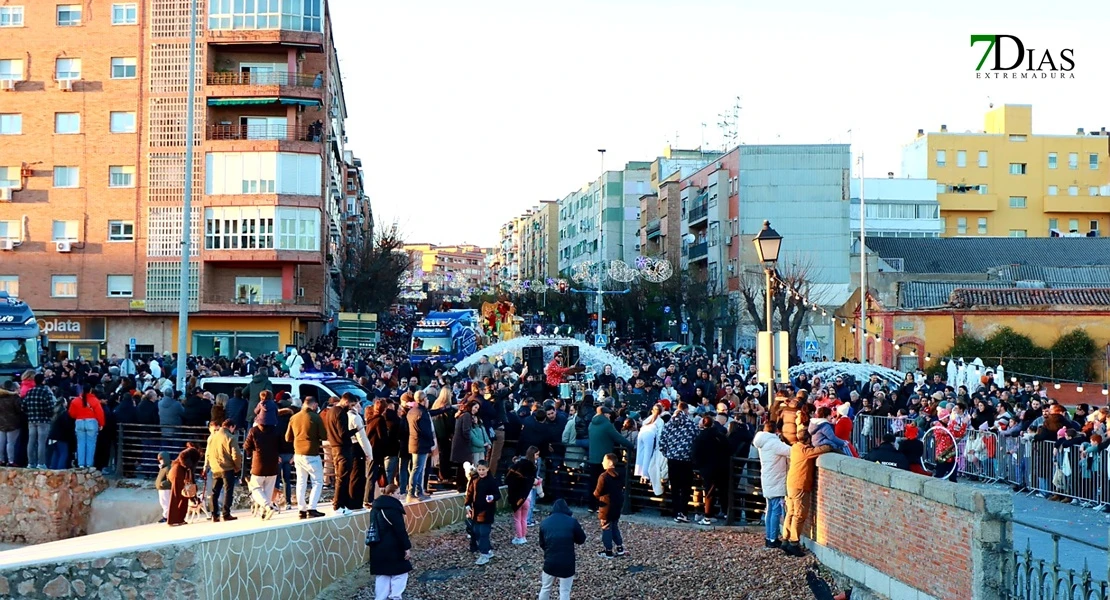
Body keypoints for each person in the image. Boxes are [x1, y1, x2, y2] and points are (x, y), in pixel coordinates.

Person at [782, 429, 835, 557]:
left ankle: (785, 539)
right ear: (807, 440)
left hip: (791, 484)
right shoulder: (805, 451)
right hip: (800, 485)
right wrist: (829, 445)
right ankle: (794, 543)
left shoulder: (795, 447)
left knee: (791, 512)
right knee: (799, 514)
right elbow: (819, 451)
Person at [368, 484, 413, 600]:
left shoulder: (375, 507)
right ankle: (395, 597)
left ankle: (380, 598)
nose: (399, 496)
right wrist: (406, 547)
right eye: (397, 493)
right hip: (393, 546)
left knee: (383, 574)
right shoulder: (393, 509)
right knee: (400, 573)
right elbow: (400, 530)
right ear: (391, 494)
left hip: (377, 546)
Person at [537, 498, 587, 600]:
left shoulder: (544, 523)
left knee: (545, 588)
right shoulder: (572, 522)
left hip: (550, 561)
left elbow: (542, 544)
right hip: (567, 562)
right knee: (565, 591)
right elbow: (581, 539)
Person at [286, 396, 326, 519]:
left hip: (298, 453)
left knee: (301, 482)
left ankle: (301, 509)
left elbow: (287, 437)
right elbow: (324, 436)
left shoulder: (294, 417)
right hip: (312, 453)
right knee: (317, 481)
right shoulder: (315, 417)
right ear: (314, 405)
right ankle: (312, 508)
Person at [587, 407, 634, 513]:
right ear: (605, 414)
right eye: (608, 414)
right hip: (605, 459)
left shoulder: (591, 424)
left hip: (592, 457)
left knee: (593, 482)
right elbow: (618, 437)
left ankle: (591, 505)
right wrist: (631, 446)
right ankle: (601, 505)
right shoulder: (607, 425)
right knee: (604, 483)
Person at [753, 421, 792, 548]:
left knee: (769, 509)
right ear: (776, 430)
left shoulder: (761, 441)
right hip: (776, 479)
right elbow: (791, 451)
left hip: (767, 478)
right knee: (775, 510)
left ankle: (769, 537)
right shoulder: (774, 443)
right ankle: (773, 539)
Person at [659, 401, 699, 523]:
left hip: (672, 459)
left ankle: (676, 512)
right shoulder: (691, 425)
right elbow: (696, 442)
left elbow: (662, 443)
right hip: (686, 460)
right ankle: (684, 512)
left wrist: (668, 454)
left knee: (675, 487)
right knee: (686, 487)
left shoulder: (668, 425)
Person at [243, 414, 282, 520]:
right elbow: (281, 445)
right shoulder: (276, 430)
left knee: (255, 488)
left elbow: (246, 446)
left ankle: (267, 506)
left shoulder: (254, 431)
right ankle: (264, 513)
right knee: (268, 490)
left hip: (258, 465)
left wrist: (249, 455)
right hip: (273, 465)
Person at [203, 419, 242, 522]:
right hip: (227, 468)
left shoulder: (212, 437)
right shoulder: (230, 437)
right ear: (231, 427)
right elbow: (236, 454)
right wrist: (237, 466)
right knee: (228, 491)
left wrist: (207, 466)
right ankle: (226, 513)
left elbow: (208, 452)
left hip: (215, 468)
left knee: (214, 491)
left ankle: (214, 514)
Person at [464, 459, 500, 565]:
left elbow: (498, 495)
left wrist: (492, 497)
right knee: (477, 531)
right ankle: (488, 550)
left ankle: (484, 554)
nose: (481, 472)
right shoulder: (474, 479)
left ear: (487, 469)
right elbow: (469, 493)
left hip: (487, 511)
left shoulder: (491, 481)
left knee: (484, 532)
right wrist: (467, 505)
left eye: (483, 469)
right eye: (479, 469)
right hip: (475, 511)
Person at [593, 453, 626, 558]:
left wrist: (596, 497)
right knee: (615, 526)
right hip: (617, 504)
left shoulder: (603, 476)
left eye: (604, 460)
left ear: (610, 463)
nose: (602, 462)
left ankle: (608, 551)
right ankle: (620, 548)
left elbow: (597, 492)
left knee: (606, 527)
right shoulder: (620, 474)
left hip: (606, 505)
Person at [506, 446, 540, 545]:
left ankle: (519, 537)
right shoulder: (533, 467)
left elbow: (509, 478)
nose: (538, 456)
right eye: (537, 454)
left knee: (517, 518)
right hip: (527, 496)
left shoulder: (519, 466)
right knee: (524, 518)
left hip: (518, 496)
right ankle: (524, 536)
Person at [22, 373, 56, 469]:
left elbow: (23, 406)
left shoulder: (30, 392)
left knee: (31, 442)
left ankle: (30, 463)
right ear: (43, 381)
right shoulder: (46, 392)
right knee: (41, 442)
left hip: (31, 420)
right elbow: (50, 407)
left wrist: (30, 413)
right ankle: (41, 463)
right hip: (43, 420)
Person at [68, 389, 106, 468]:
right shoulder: (95, 400)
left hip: (79, 422)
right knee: (91, 444)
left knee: (80, 444)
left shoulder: (75, 400)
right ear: (90, 390)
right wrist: (101, 423)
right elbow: (100, 413)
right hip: (91, 422)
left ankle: (81, 464)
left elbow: (71, 413)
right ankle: (89, 464)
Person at [167, 446, 201, 527]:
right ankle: (173, 520)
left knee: (183, 496)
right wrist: (187, 466)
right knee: (177, 496)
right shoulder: (189, 455)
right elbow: (182, 457)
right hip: (177, 473)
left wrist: (193, 495)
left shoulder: (191, 455)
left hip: (178, 472)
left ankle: (179, 519)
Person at [154, 451, 174, 523]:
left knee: (165, 503)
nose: (160, 460)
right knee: (163, 503)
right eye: (159, 459)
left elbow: (170, 479)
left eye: (161, 458)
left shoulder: (168, 467)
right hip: (162, 489)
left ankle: (166, 517)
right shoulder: (163, 467)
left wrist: (162, 484)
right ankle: (167, 516)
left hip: (165, 489)